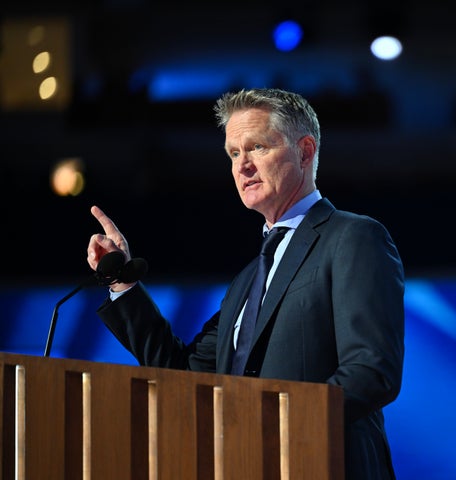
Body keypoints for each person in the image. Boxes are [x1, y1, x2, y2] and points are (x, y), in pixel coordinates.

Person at [86, 88, 405, 480]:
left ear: (305, 151)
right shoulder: (248, 280)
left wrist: (268, 425)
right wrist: (121, 281)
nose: (243, 166)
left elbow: (372, 371)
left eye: (257, 147)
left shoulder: (352, 238)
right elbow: (183, 375)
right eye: (234, 154)